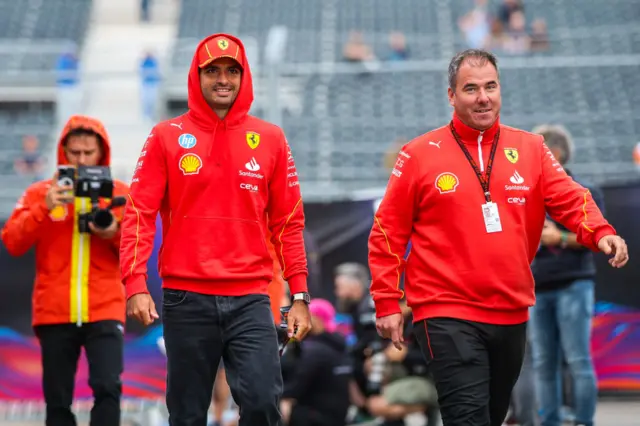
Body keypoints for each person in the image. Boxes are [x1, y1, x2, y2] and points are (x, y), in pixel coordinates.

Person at [368, 49, 629, 426]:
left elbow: (571, 197)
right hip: (444, 310)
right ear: (451, 95)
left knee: (490, 417)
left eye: (490, 86)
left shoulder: (531, 148)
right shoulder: (418, 155)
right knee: (467, 418)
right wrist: (388, 301)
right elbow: (387, 232)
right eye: (471, 88)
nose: (483, 97)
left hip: (511, 308)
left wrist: (601, 232)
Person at [119, 33, 312, 426]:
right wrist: (135, 283)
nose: (222, 79)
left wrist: (301, 293)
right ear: (197, 75)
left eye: (231, 70)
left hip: (251, 296)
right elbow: (138, 211)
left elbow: (289, 222)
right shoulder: (165, 136)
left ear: (244, 77)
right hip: (186, 298)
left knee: (262, 405)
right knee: (187, 414)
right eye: (213, 71)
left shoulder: (271, 138)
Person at [1, 115, 128, 426]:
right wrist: (44, 206)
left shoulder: (119, 193)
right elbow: (12, 242)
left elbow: (137, 250)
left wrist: (113, 231)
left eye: (88, 153)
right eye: (75, 152)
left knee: (108, 388)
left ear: (102, 153)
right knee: (57, 400)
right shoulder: (39, 193)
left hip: (105, 308)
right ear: (63, 152)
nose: (81, 160)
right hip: (54, 311)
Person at [528, 124, 604, 426]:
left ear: (554, 153)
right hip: (537, 288)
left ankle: (585, 422)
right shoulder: (528, 194)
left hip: (574, 285)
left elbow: (598, 238)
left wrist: (558, 238)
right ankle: (550, 422)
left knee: (577, 361)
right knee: (544, 364)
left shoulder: (584, 191)